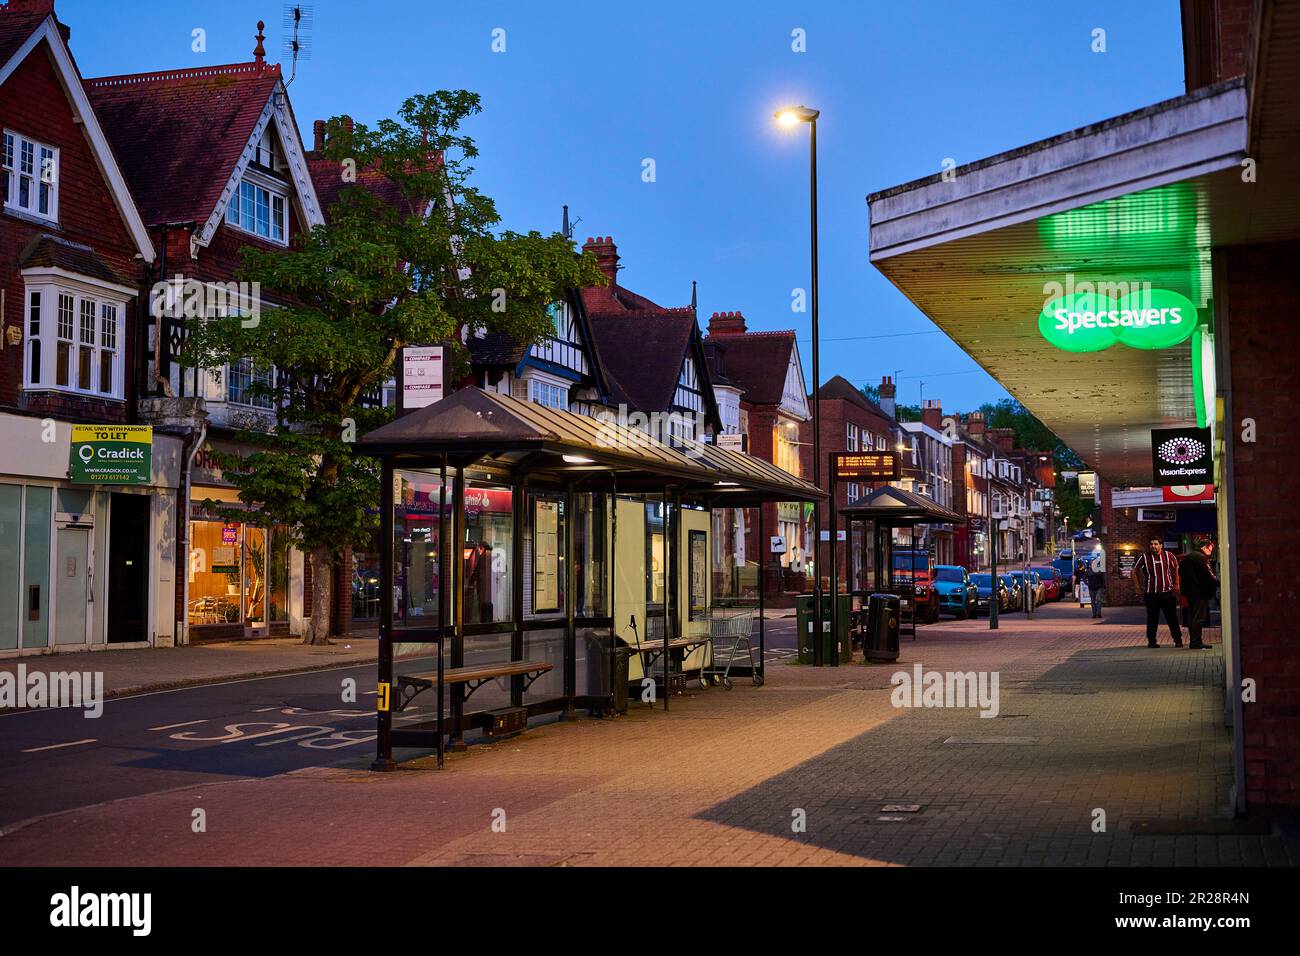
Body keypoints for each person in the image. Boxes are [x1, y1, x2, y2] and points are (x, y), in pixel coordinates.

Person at [1132, 537, 1182, 647]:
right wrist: (1137, 587)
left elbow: (1177, 567)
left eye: (1155, 544)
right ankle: (1152, 641)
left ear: (1161, 545)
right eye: (1151, 544)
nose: (1153, 546)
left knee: (1172, 618)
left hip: (1167, 593)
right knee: (1152, 619)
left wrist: (1177, 583)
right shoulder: (1144, 557)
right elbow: (1134, 571)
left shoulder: (1169, 556)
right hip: (1151, 594)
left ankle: (1178, 640)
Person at [1178, 536, 1218, 649]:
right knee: (1199, 617)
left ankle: (1194, 640)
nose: (1211, 551)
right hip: (1200, 592)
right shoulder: (1202, 558)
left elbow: (1180, 572)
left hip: (1189, 592)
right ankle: (1196, 641)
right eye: (1210, 549)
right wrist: (1219, 583)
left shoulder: (1187, 557)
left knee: (1192, 617)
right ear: (1204, 547)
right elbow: (1209, 575)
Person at [1087, 542, 1106, 620]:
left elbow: (1103, 578)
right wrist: (1086, 583)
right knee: (1092, 601)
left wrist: (1103, 586)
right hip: (1091, 587)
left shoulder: (1099, 570)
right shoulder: (1088, 571)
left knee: (1098, 600)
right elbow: (1084, 577)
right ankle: (1094, 614)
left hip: (1098, 587)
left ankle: (1098, 613)